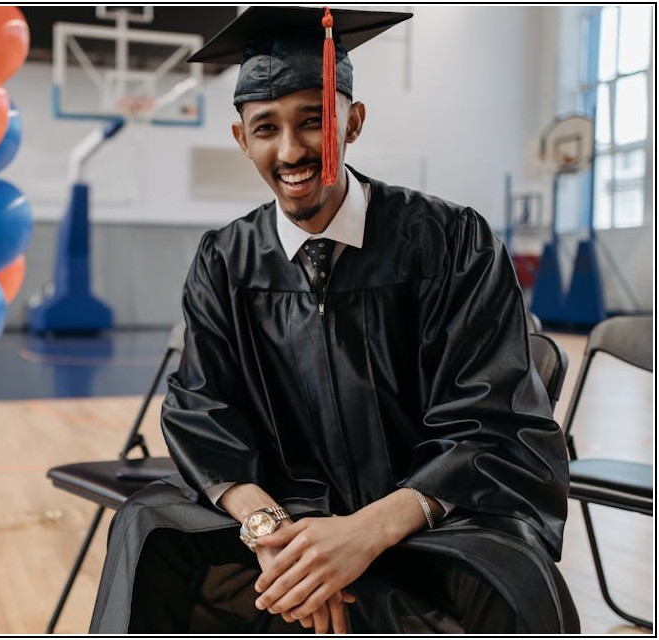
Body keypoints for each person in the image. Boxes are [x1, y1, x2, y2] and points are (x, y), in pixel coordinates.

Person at [89, 6, 580, 634]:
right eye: (266, 127)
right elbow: (202, 409)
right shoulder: (225, 261)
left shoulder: (451, 242)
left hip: (432, 518)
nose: (291, 150)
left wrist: (360, 535)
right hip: (285, 507)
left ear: (353, 121)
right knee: (148, 530)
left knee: (512, 581)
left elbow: (493, 419)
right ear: (242, 139)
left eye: (312, 121)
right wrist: (274, 534)